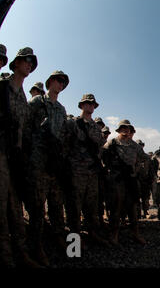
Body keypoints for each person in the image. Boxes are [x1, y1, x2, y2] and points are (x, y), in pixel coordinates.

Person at [0, 47, 41, 267]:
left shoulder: (23, 98)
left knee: (16, 208)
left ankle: (21, 253)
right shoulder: (2, 88)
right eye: (26, 60)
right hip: (0, 154)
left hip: (15, 157)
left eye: (31, 63)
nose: (29, 65)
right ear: (15, 63)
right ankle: (6, 258)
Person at [26, 70, 70, 266]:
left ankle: (59, 237)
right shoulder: (36, 103)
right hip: (38, 162)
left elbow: (63, 136)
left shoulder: (61, 109)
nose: (61, 85)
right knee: (37, 207)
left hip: (54, 164)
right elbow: (25, 128)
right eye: (59, 81)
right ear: (50, 81)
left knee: (56, 203)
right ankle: (36, 246)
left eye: (64, 83)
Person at [65, 94, 110, 247]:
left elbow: (99, 149)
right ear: (82, 105)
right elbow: (65, 145)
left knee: (92, 205)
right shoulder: (73, 124)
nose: (90, 106)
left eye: (92, 104)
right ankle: (75, 240)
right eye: (87, 103)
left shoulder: (96, 128)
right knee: (74, 207)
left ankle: (93, 234)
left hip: (92, 172)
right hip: (76, 171)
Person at [102, 120, 147, 245]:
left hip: (130, 179)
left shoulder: (134, 145)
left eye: (128, 128)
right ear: (119, 129)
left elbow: (144, 158)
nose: (126, 130)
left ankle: (135, 233)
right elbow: (102, 155)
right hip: (117, 181)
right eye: (123, 128)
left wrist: (136, 169)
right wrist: (109, 170)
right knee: (116, 207)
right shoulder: (112, 142)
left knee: (132, 208)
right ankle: (114, 234)